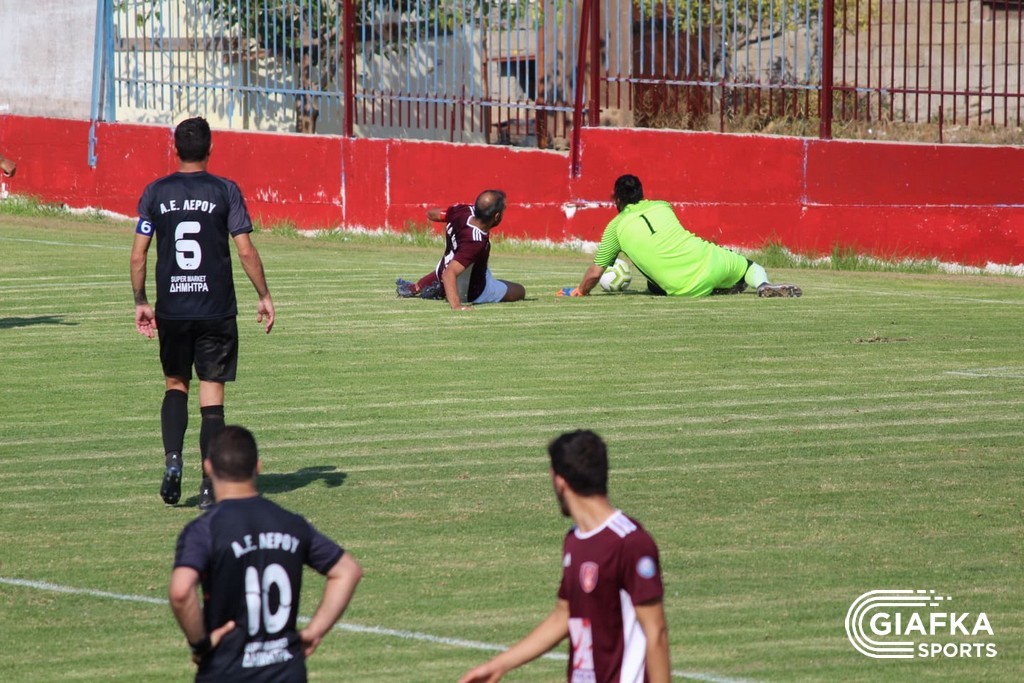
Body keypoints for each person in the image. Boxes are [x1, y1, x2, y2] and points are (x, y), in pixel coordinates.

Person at [131, 116, 275, 509]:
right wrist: (264, 294)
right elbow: (245, 250)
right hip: (216, 309)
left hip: (173, 309)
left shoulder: (155, 193)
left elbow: (139, 254)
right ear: (210, 149)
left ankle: (173, 461)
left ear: (175, 149)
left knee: (175, 385)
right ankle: (210, 487)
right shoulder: (225, 190)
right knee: (212, 398)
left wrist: (141, 300)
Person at [459, 430, 670, 683]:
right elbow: (564, 614)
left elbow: (656, 632)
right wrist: (499, 666)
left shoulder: (629, 542)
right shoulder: (575, 539)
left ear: (560, 482)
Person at [169, 425, 363, 682]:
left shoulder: (203, 530)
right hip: (286, 671)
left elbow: (181, 592)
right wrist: (314, 632)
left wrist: (200, 645)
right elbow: (348, 571)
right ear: (258, 467)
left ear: (208, 467)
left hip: (227, 670)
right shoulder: (291, 523)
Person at [559, 174, 801, 299]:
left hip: (680, 288)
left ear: (617, 199)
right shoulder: (663, 205)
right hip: (710, 259)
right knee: (749, 266)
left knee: (655, 284)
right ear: (642, 194)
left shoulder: (615, 227)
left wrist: (580, 290)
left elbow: (595, 273)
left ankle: (716, 287)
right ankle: (763, 285)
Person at [394, 189, 526, 311]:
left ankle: (421, 286)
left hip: (445, 267)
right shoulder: (475, 241)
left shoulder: (462, 211)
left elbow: (432, 214)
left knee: (459, 262)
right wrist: (457, 306)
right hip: (471, 290)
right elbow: (449, 274)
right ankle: (447, 290)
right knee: (520, 291)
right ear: (496, 216)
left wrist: (448, 218)